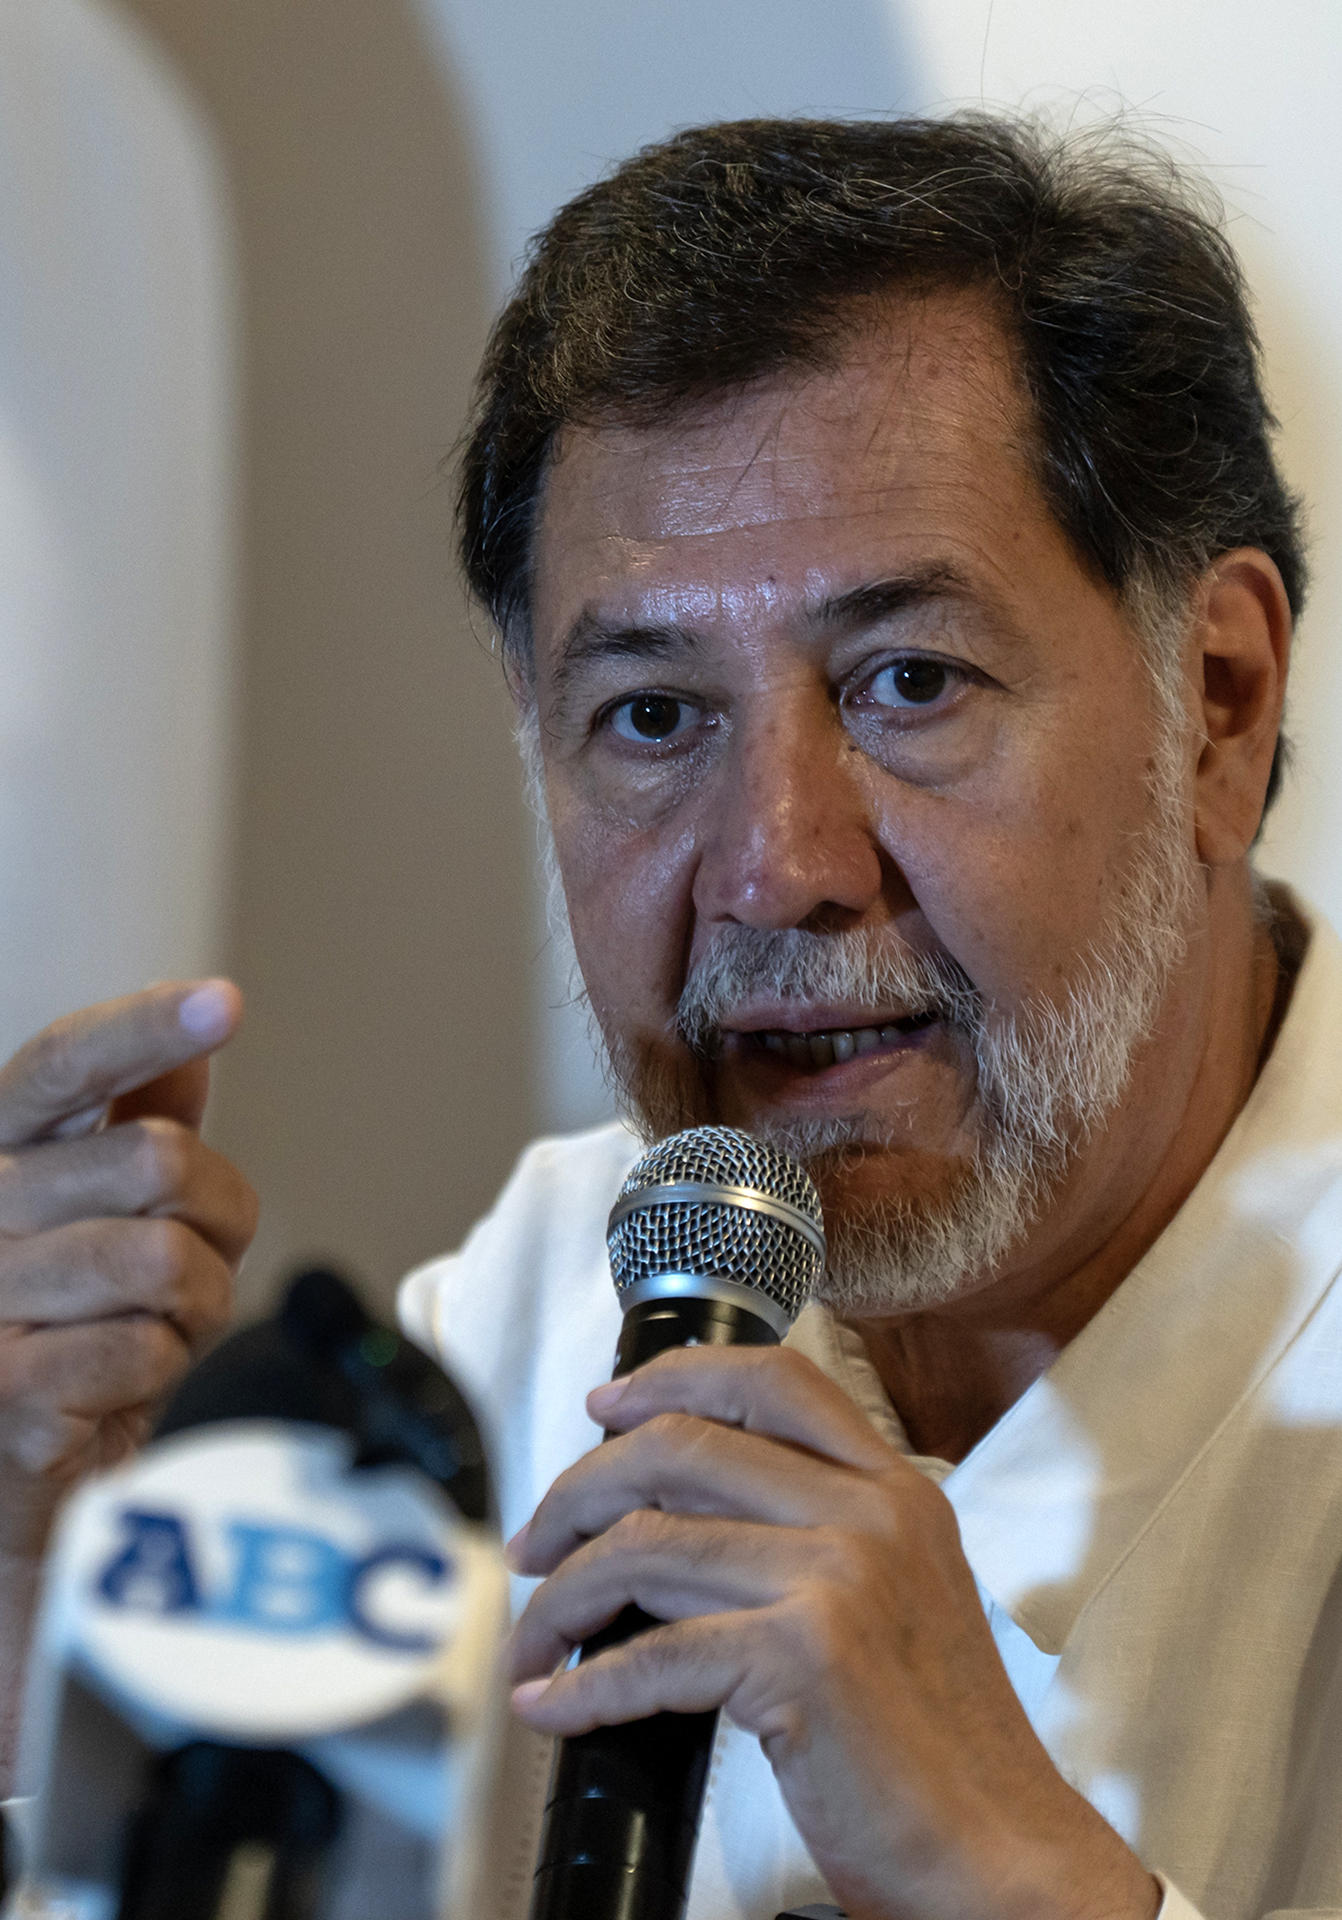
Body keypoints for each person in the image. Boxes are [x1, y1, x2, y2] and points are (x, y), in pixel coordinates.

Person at [0, 110, 1324, 1918]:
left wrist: (1007, 1871)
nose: (776, 865)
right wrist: (38, 1654)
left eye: (907, 681)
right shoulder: (534, 1316)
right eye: (648, 715)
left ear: (1220, 699)